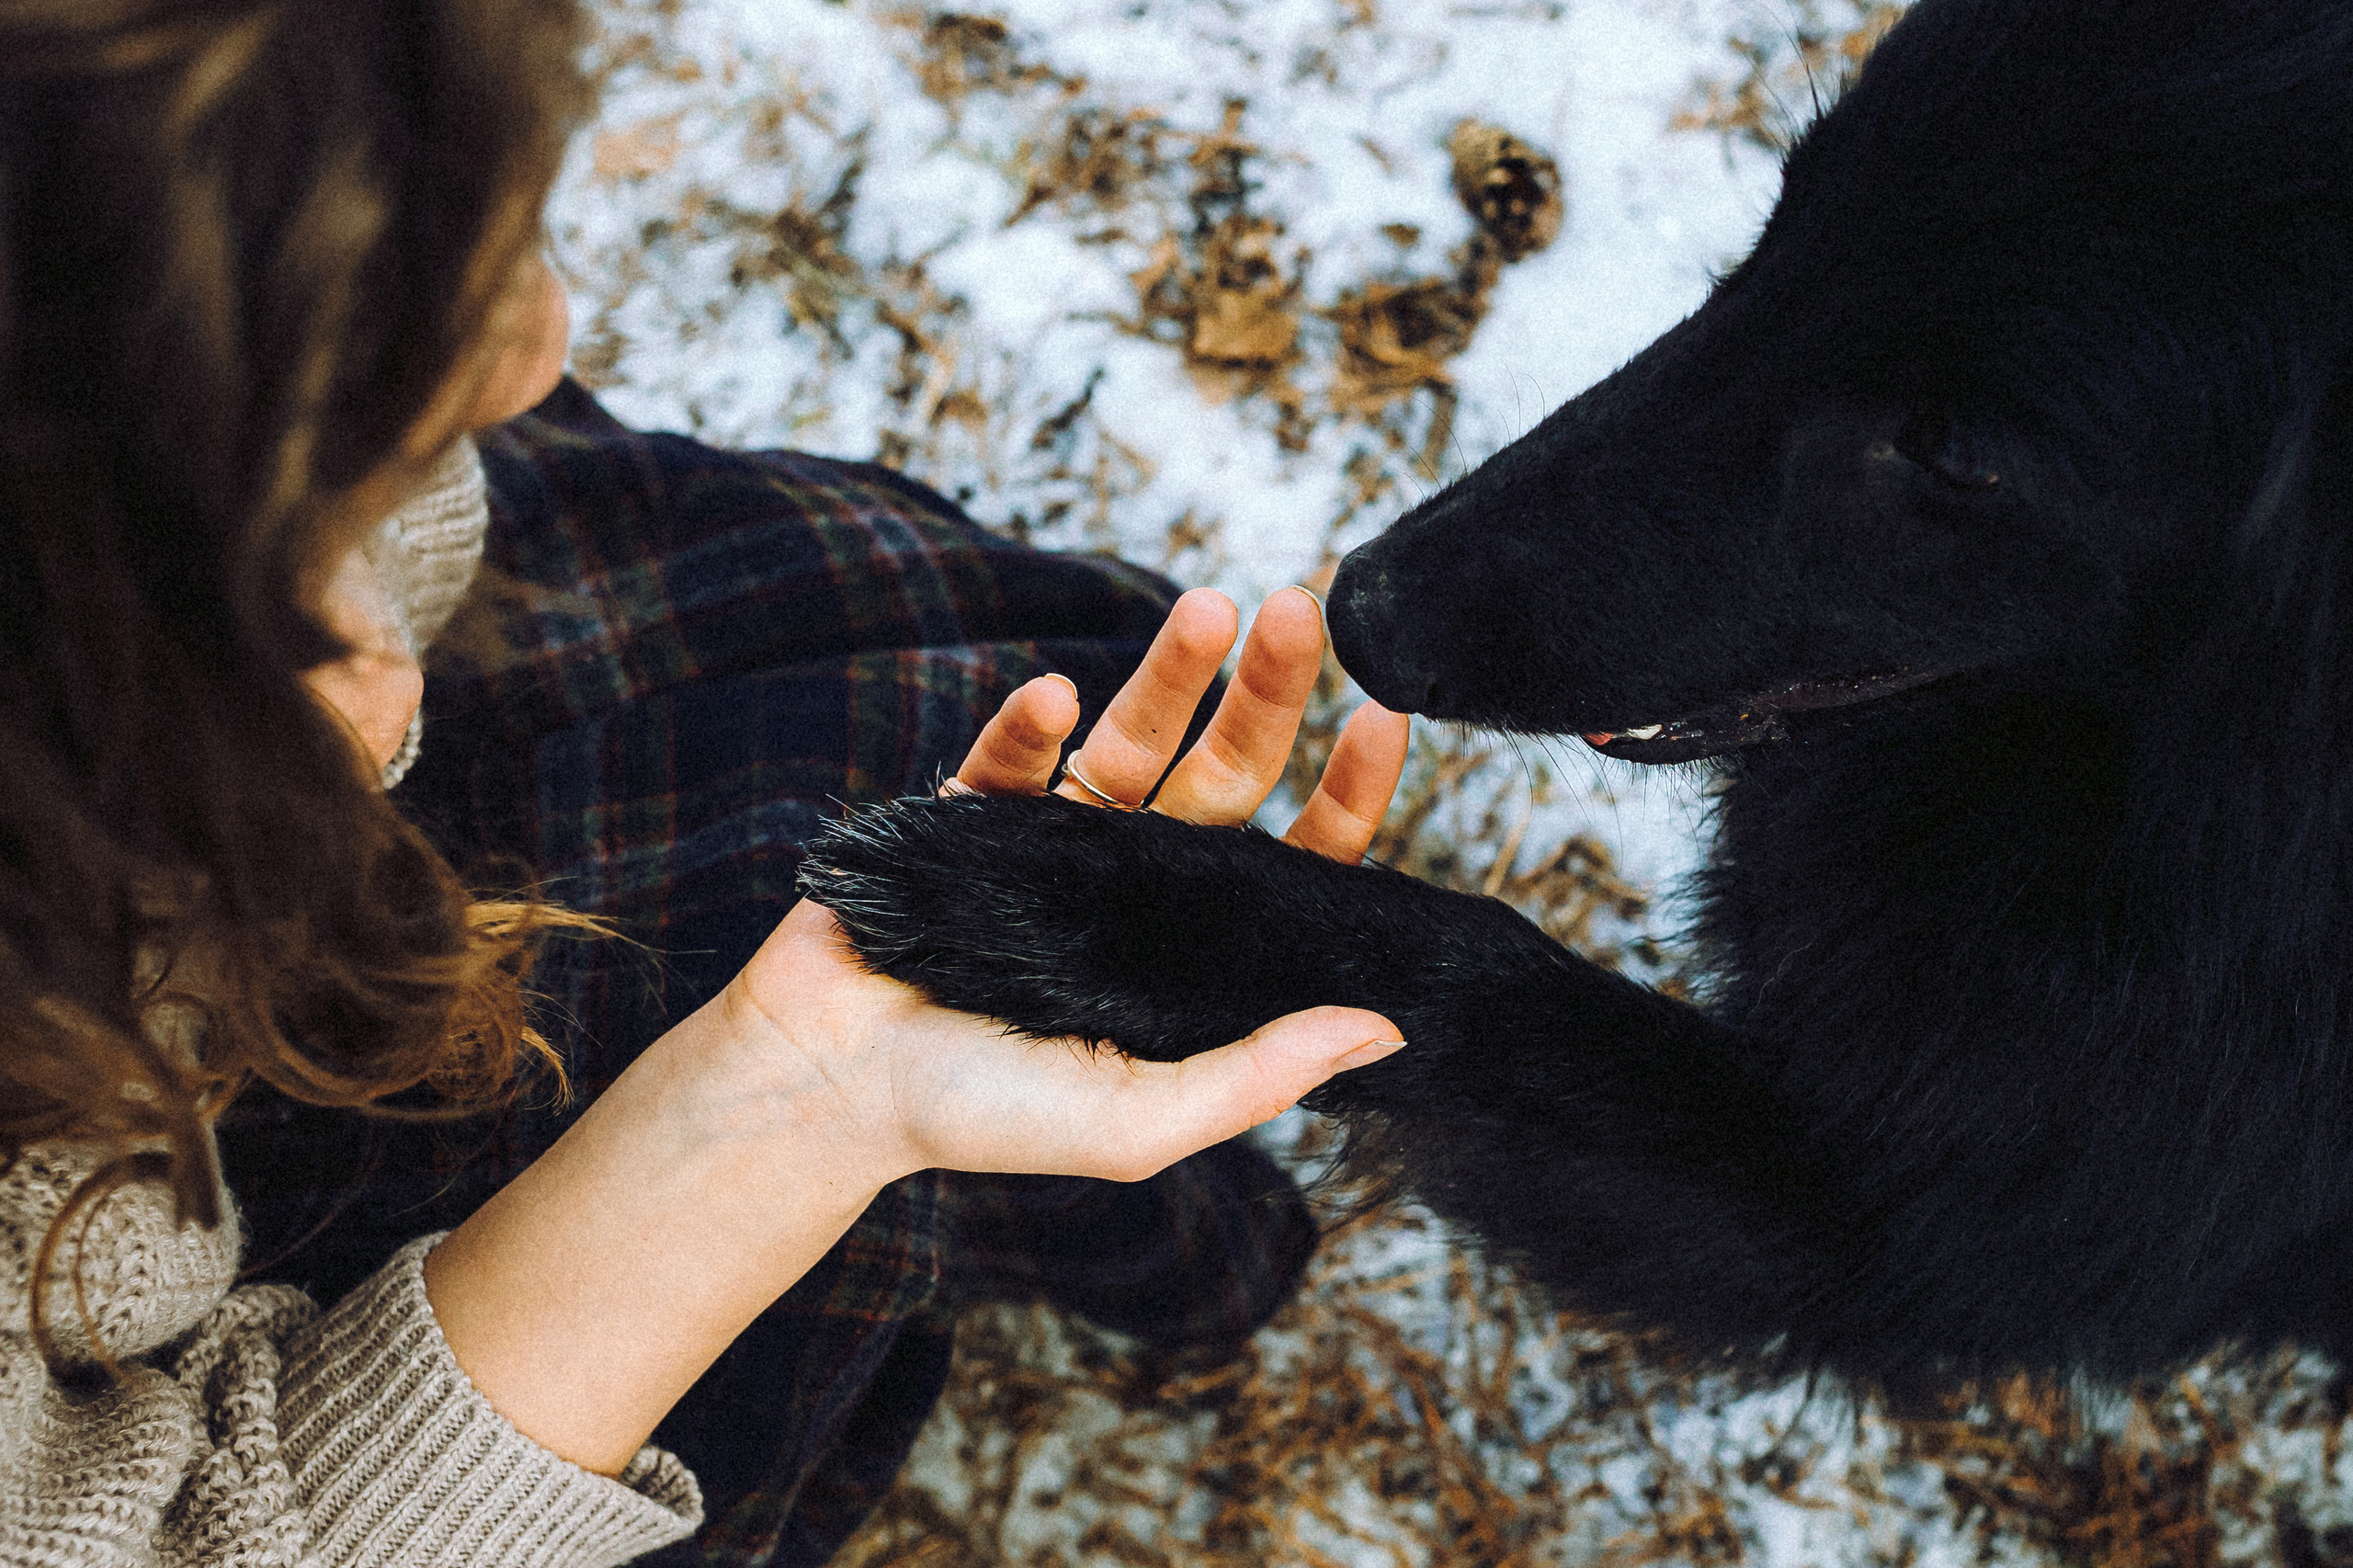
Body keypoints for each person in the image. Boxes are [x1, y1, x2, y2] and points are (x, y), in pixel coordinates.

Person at [0, 3, 1412, 1565]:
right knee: (834, 850)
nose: (542, 342)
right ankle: (1189, 1272)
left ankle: (1186, 1251)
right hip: (303, 1288)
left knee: (952, 689)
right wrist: (795, 1109)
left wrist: (338, 536)